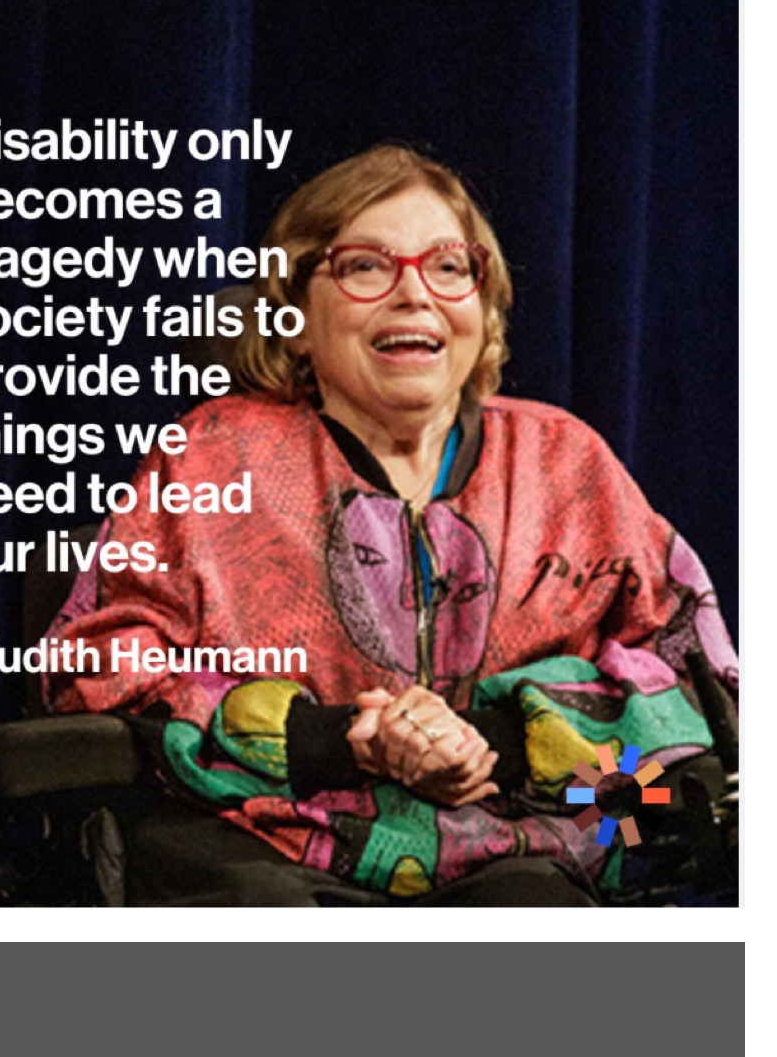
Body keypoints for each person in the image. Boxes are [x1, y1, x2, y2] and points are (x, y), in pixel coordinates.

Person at [41, 144, 738, 904]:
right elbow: (96, 669)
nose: (415, 294)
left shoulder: (565, 461)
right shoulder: (212, 458)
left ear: (485, 306)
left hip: (535, 841)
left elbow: (706, 688)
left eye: (447, 266)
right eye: (367, 267)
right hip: (272, 839)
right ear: (296, 317)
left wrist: (500, 739)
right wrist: (340, 741)